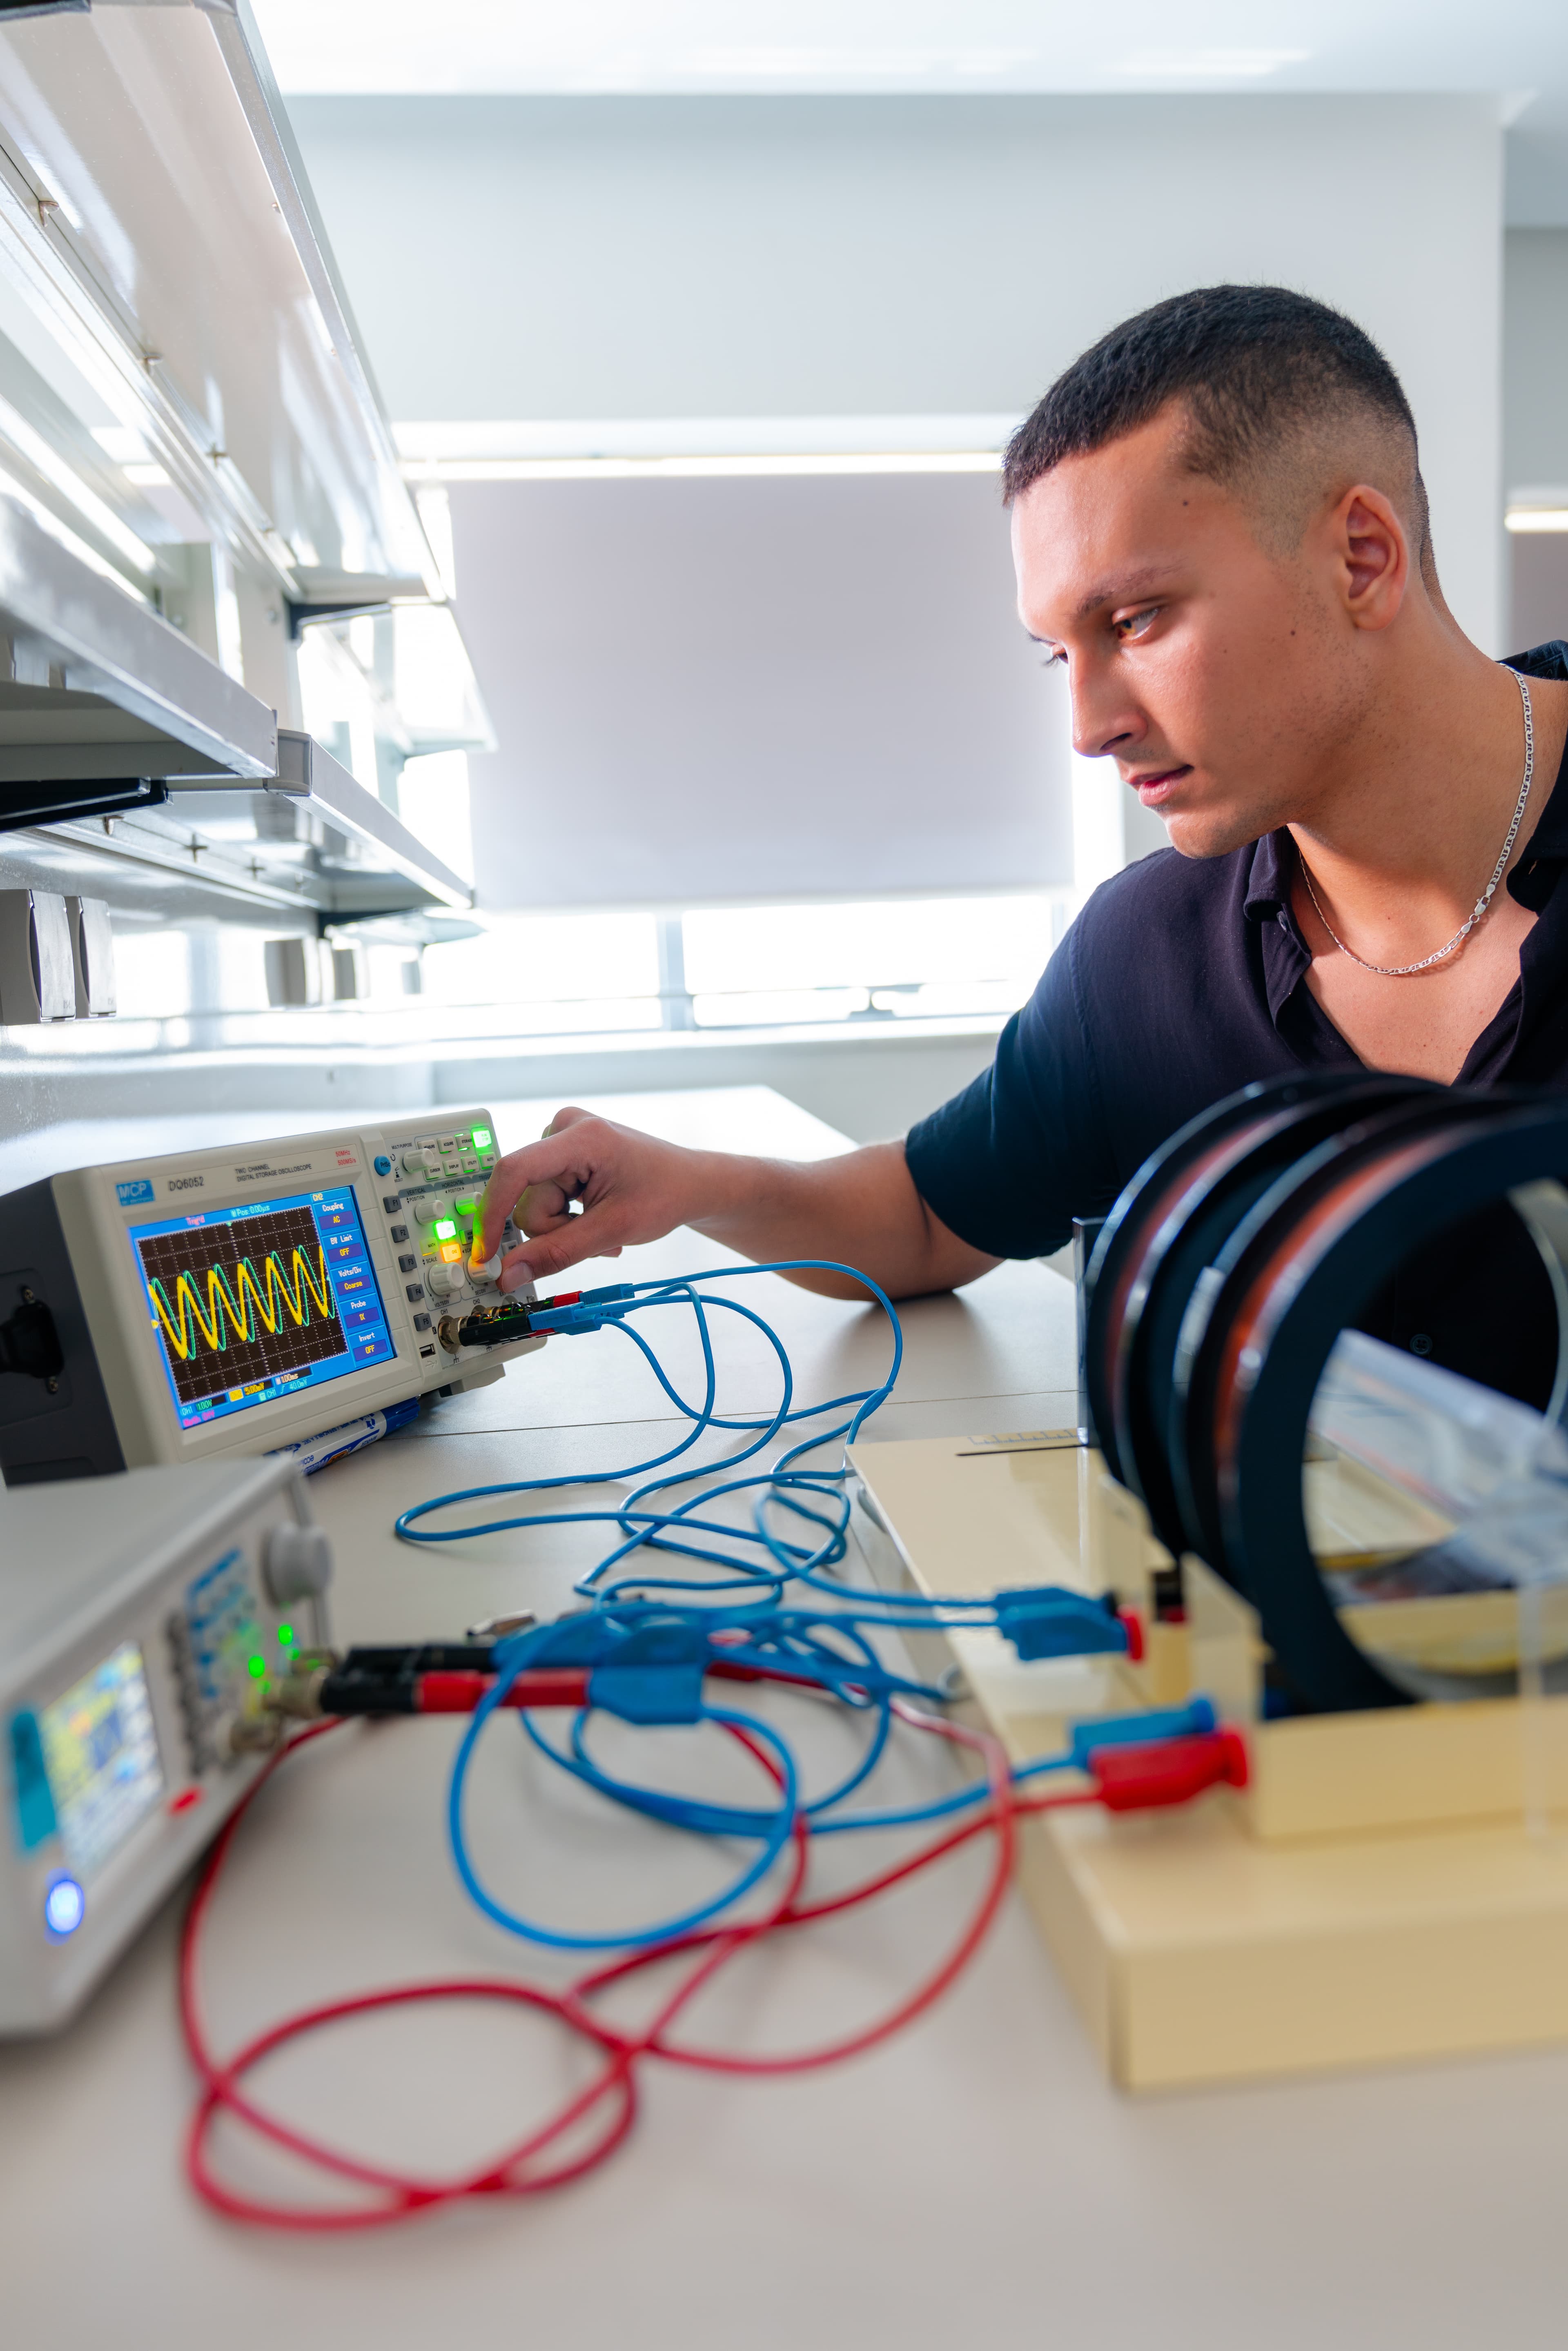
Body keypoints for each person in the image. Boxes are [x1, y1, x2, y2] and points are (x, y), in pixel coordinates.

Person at [474, 285, 1568, 1395]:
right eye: (1059, 653)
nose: (1091, 728)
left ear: (1362, 560)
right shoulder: (1145, 959)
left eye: (1135, 621)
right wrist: (699, 1186)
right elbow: (929, 1214)